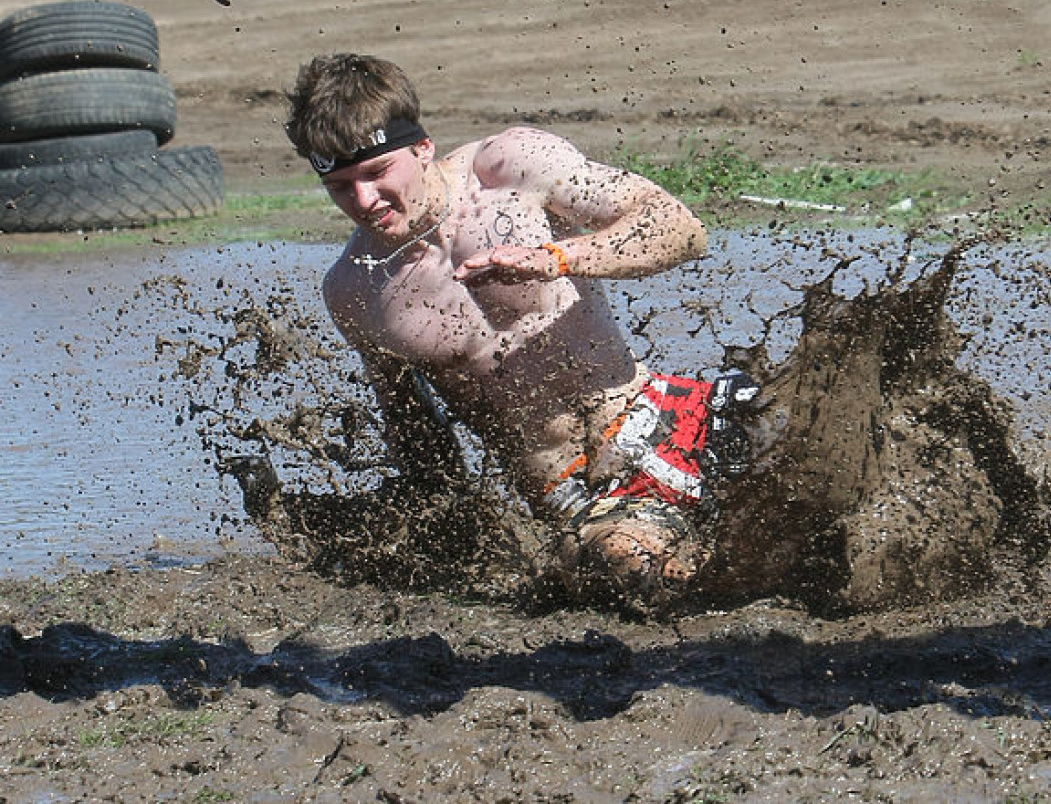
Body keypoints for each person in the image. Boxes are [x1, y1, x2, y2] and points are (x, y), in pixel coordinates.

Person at [283, 53, 756, 610]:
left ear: (422, 147)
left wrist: (557, 257)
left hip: (674, 421)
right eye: (339, 186)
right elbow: (415, 433)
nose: (363, 202)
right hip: (585, 504)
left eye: (375, 172)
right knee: (641, 572)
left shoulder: (510, 167)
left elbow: (680, 228)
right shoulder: (355, 291)